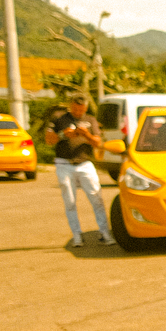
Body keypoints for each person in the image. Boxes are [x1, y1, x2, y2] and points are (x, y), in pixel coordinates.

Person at [50, 96, 114, 248]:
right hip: (64, 163)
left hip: (85, 163)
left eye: (80, 110)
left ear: (85, 108)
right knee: (70, 201)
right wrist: (63, 135)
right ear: (70, 106)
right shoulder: (59, 119)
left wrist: (86, 134)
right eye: (75, 109)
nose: (78, 112)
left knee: (96, 197)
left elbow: (98, 143)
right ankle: (77, 235)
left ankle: (104, 233)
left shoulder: (90, 120)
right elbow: (48, 139)